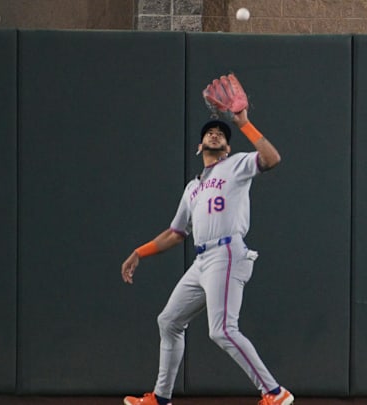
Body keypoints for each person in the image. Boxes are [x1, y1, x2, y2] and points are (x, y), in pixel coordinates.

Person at [121, 108, 293, 405]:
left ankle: (275, 392)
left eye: (222, 135)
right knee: (169, 321)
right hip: (202, 261)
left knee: (223, 329)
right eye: (210, 133)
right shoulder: (193, 188)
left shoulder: (236, 164)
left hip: (227, 252)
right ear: (200, 146)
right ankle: (161, 398)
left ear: (227, 148)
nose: (215, 134)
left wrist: (244, 124)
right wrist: (140, 252)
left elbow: (272, 158)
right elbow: (175, 233)